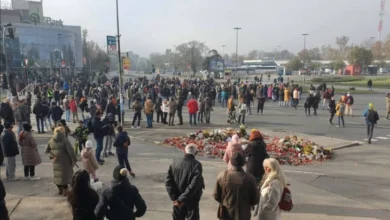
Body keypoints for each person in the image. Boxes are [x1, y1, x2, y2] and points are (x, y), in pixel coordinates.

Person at [214, 152, 260, 220]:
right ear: (243, 163)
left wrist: (225, 201)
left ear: (231, 162)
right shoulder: (250, 178)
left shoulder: (222, 175)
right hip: (243, 213)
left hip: (226, 212)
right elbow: (255, 199)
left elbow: (216, 195)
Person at [165, 144, 205, 220]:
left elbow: (168, 182)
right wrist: (181, 199)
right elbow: (194, 185)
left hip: (177, 199)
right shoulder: (196, 165)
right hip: (191, 199)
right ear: (196, 153)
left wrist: (175, 198)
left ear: (184, 151)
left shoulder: (175, 162)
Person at [45, 127, 77, 196]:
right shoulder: (65, 140)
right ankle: (65, 191)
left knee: (57, 176)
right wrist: (74, 160)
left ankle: (60, 190)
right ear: (63, 132)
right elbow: (71, 151)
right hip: (65, 161)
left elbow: (46, 151)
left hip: (55, 161)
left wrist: (52, 156)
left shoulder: (51, 140)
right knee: (65, 177)